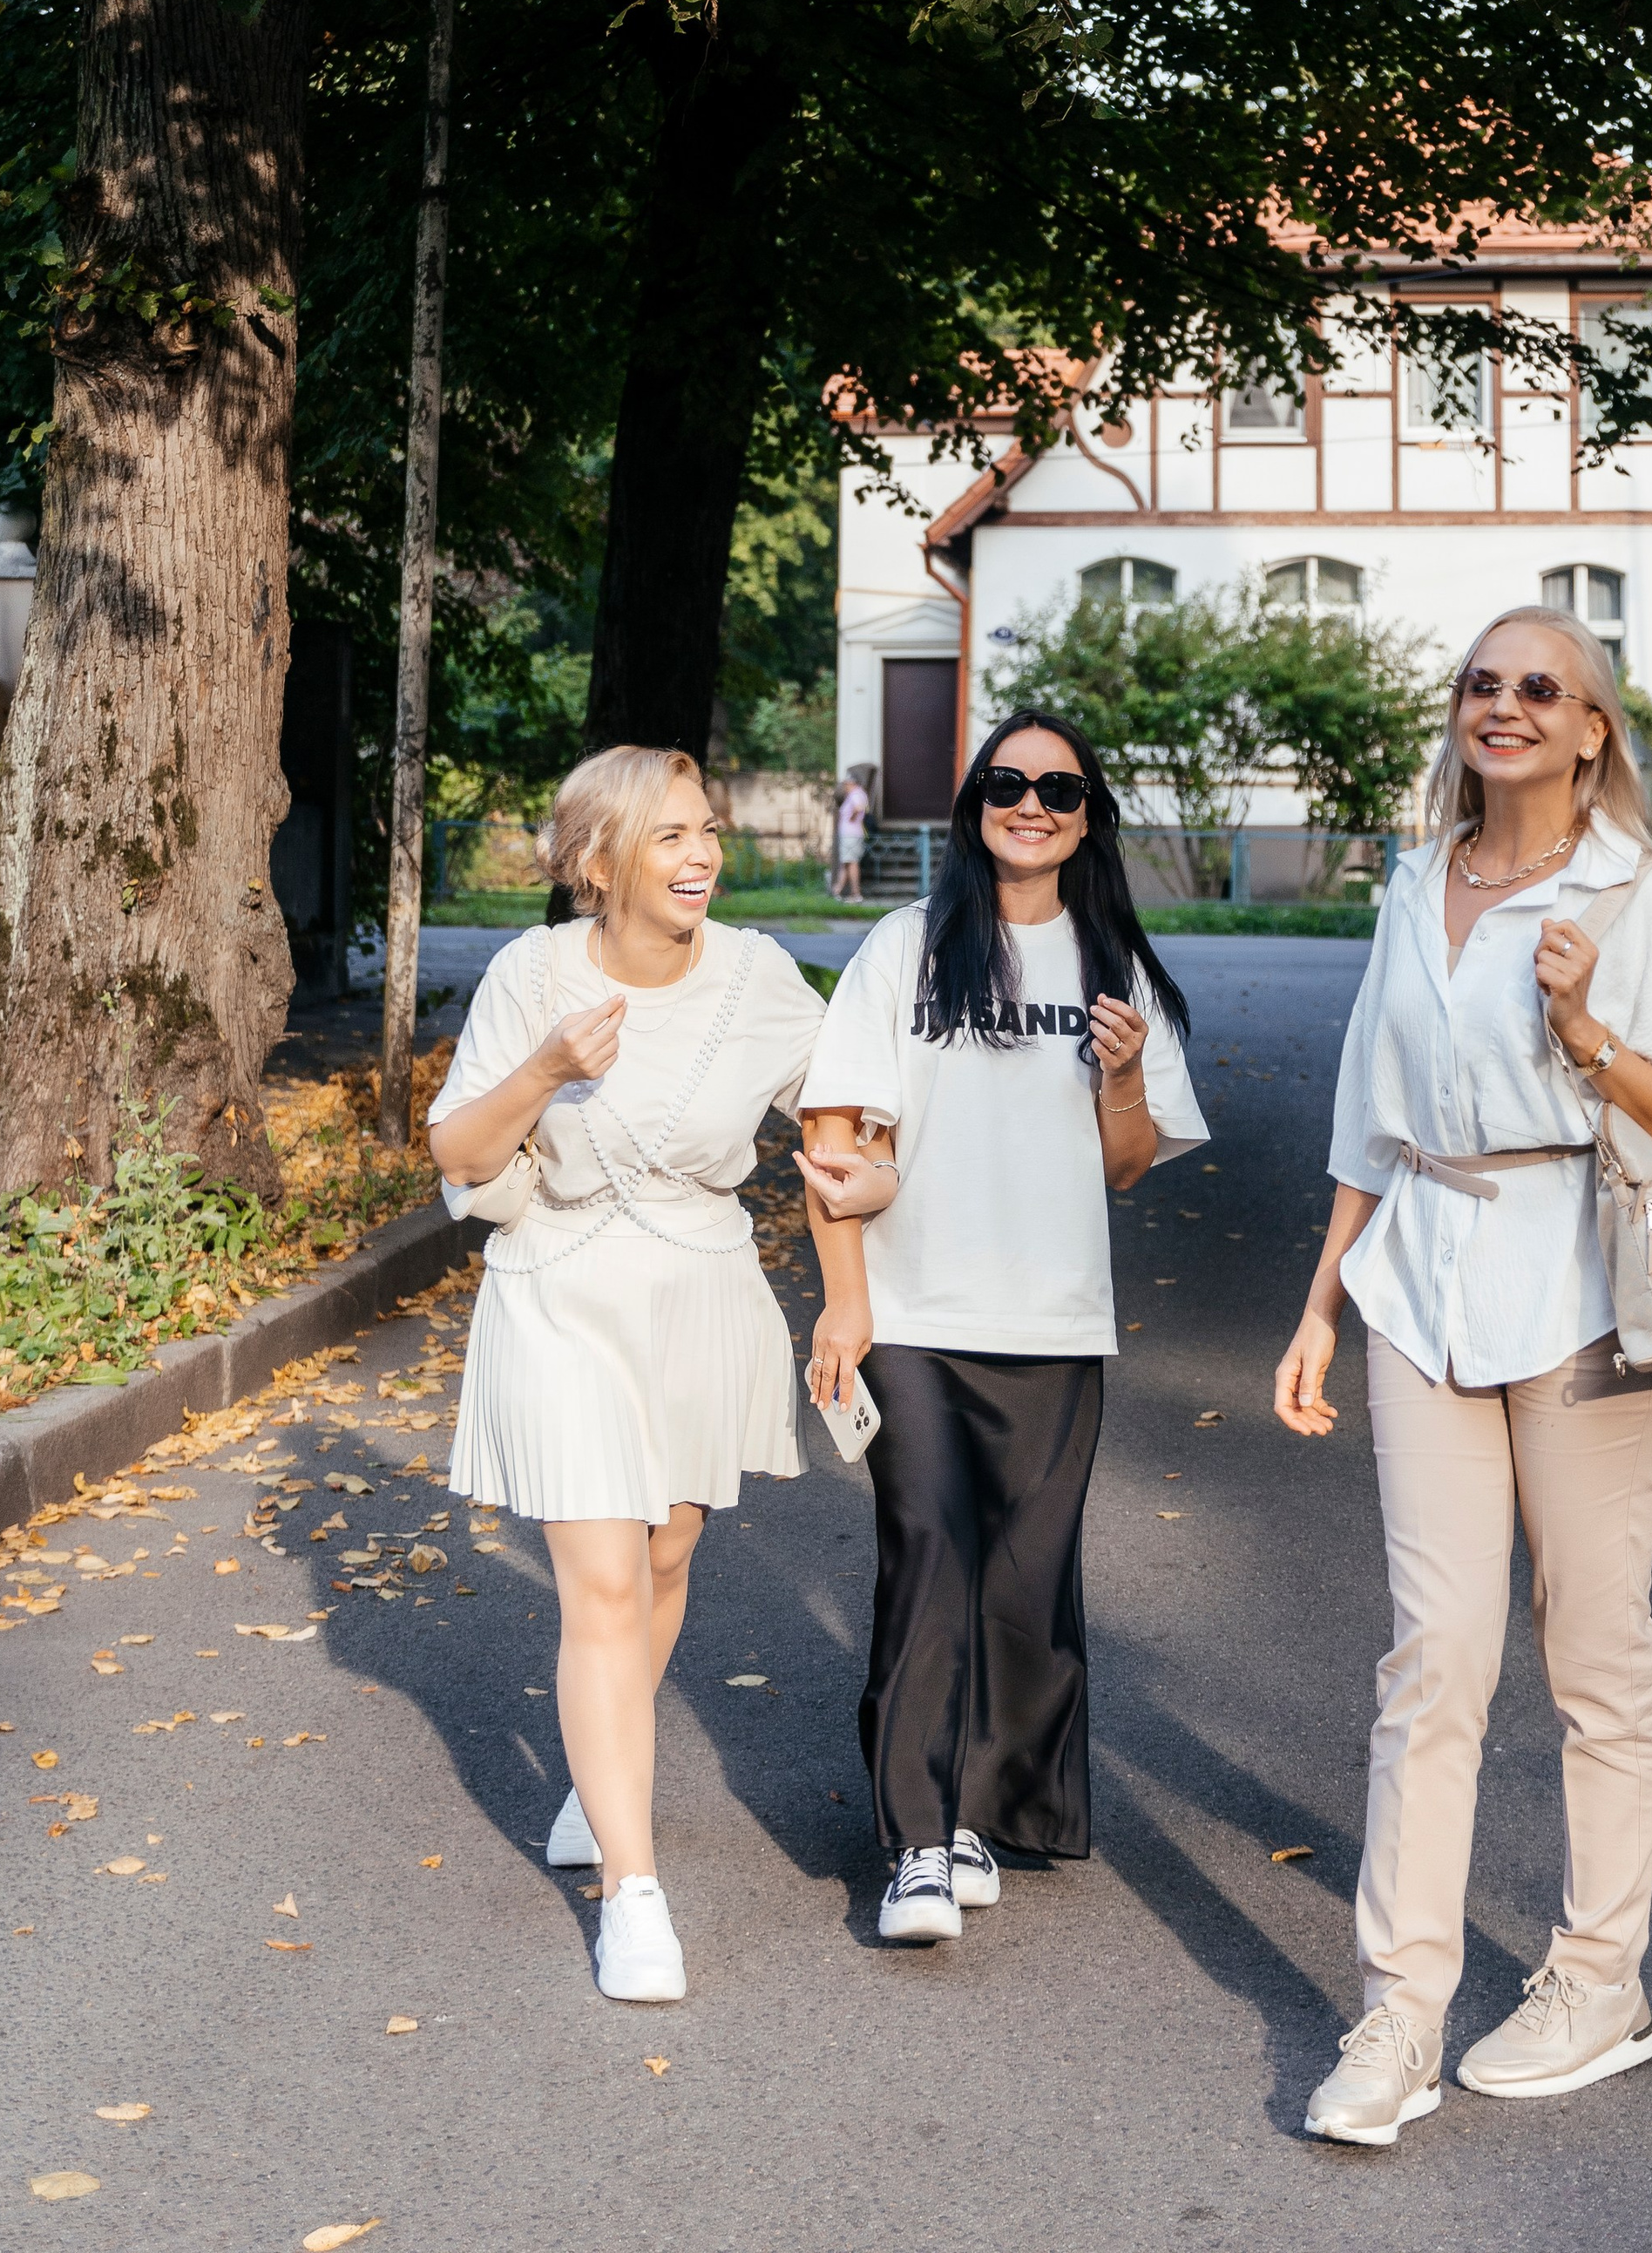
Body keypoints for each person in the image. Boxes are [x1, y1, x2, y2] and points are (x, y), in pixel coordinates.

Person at [1274, 607, 1652, 2145]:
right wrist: (1319, 1308)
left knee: (1595, 1654)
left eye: (1540, 688)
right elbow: (1370, 1109)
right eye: (1483, 683)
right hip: (1420, 1278)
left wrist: (1583, 1028)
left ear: (1592, 728)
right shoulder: (1417, 882)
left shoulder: (1643, 898)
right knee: (1434, 1658)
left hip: (1582, 1288)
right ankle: (1398, 2014)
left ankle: (1597, 1981)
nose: (1506, 706)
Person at [793, 708, 1211, 1944]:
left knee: (1025, 1580)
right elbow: (836, 1136)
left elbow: (1127, 1167)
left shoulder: (1114, 970)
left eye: (1062, 791)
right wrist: (847, 1299)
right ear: (975, 801)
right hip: (915, 1308)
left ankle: (978, 1813)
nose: (1032, 804)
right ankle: (918, 1843)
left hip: (1056, 1318)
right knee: (930, 1547)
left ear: (1091, 821)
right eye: (1009, 782)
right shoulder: (905, 947)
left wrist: (1124, 1078)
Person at [428, 745, 826, 2005]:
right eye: (667, 836)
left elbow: (852, 1113)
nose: (701, 853)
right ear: (597, 864)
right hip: (556, 1295)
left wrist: (866, 1177)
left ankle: (592, 1781)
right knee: (602, 1580)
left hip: (702, 1300)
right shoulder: (529, 974)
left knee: (662, 1562)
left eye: (705, 830)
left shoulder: (761, 979)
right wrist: (547, 1068)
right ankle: (633, 1893)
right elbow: (457, 1148)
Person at [830, 766, 871, 903]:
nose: (845, 786)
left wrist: (852, 818)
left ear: (852, 783)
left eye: (846, 784)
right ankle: (837, 890)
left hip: (851, 834)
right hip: (849, 834)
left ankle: (855, 893)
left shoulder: (856, 794)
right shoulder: (857, 794)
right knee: (846, 862)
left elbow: (859, 807)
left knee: (851, 862)